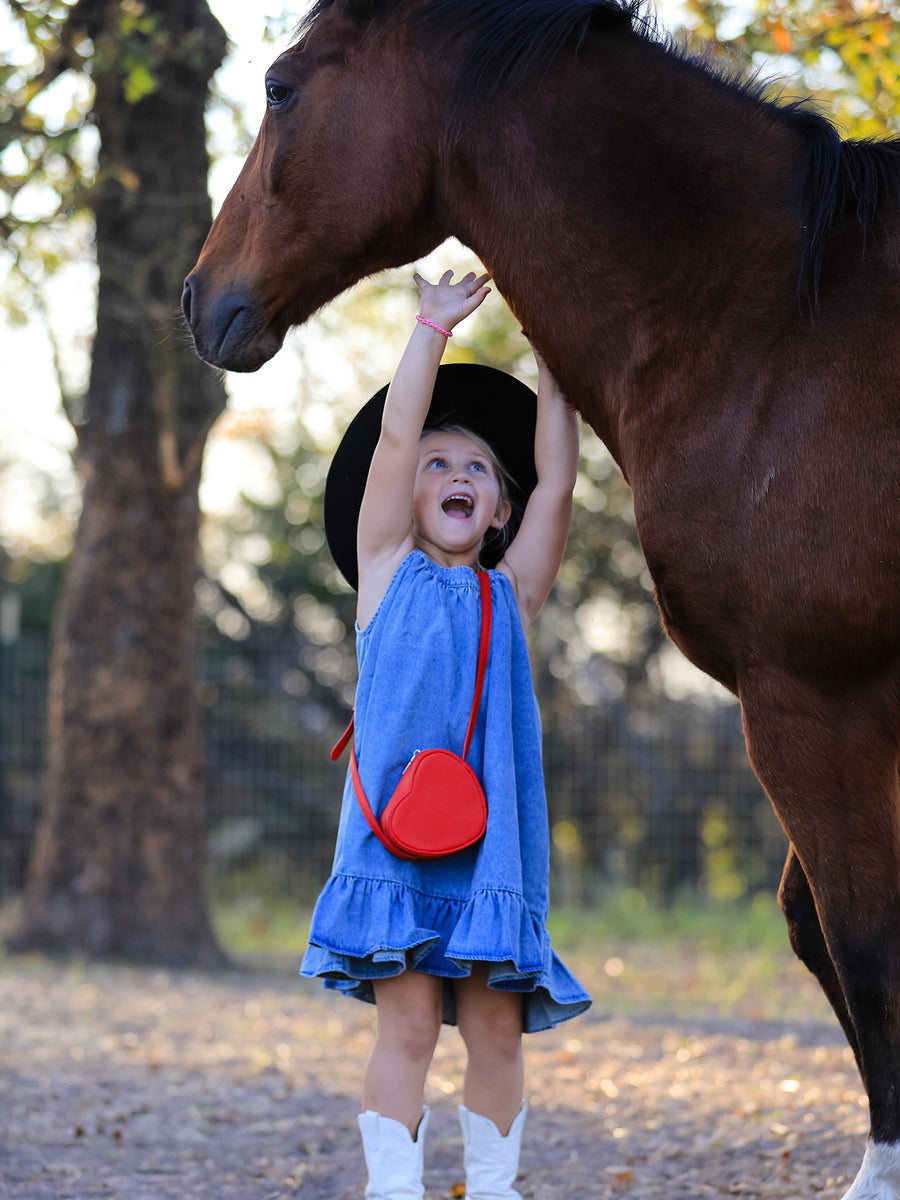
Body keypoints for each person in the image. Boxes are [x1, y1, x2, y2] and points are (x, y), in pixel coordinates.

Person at [301, 269, 591, 1200]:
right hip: (397, 845)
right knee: (411, 1032)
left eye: (477, 470)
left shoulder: (515, 594)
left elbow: (556, 486)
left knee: (498, 1032)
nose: (458, 475)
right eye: (439, 465)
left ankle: (494, 1190)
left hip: (491, 853)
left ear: (497, 512)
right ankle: (396, 1191)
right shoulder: (384, 571)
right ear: (405, 499)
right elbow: (394, 434)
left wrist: (556, 375)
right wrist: (428, 327)